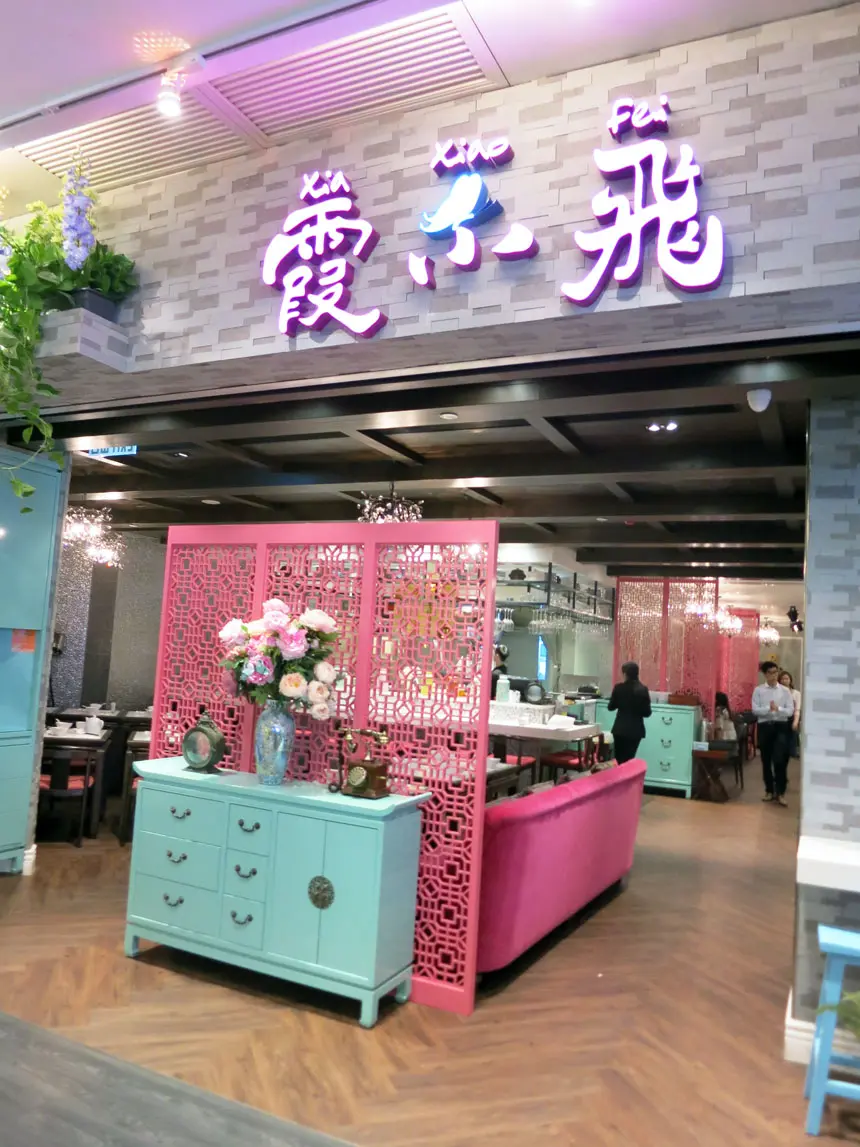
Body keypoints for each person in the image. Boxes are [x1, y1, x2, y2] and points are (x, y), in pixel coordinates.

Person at [752, 661, 794, 806]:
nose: (774, 675)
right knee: (766, 760)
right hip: (765, 727)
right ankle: (769, 791)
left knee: (779, 760)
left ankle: (780, 792)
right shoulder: (758, 690)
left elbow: (790, 711)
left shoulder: (785, 691)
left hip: (780, 727)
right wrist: (768, 709)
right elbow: (755, 710)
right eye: (770, 673)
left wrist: (778, 709)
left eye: (776, 672)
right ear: (765, 674)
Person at [607, 661, 652, 764]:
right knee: (629, 760)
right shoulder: (643, 690)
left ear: (625, 674)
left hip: (620, 729)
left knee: (619, 760)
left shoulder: (619, 688)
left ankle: (619, 775)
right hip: (636, 731)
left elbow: (611, 707)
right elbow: (647, 713)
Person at [778, 670, 802, 759]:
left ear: (790, 680)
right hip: (780, 717)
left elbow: (797, 709)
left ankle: (793, 752)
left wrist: (796, 721)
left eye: (787, 678)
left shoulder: (796, 693)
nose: (785, 681)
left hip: (792, 717)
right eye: (782, 679)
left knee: (793, 735)